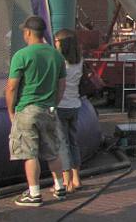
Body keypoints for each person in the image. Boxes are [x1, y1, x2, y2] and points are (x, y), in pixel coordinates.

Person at [6, 16, 67, 207]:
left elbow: (11, 87)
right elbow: (61, 85)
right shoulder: (56, 55)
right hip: (48, 109)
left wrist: (11, 111)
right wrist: (53, 103)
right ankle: (60, 187)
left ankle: (34, 194)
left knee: (30, 154)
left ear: (28, 33)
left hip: (27, 109)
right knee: (52, 151)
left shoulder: (21, 56)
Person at [54, 29, 83, 193]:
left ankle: (66, 182)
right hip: (75, 104)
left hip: (61, 106)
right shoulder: (79, 60)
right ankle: (77, 178)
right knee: (73, 142)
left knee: (62, 144)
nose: (55, 43)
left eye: (57, 41)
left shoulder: (59, 62)